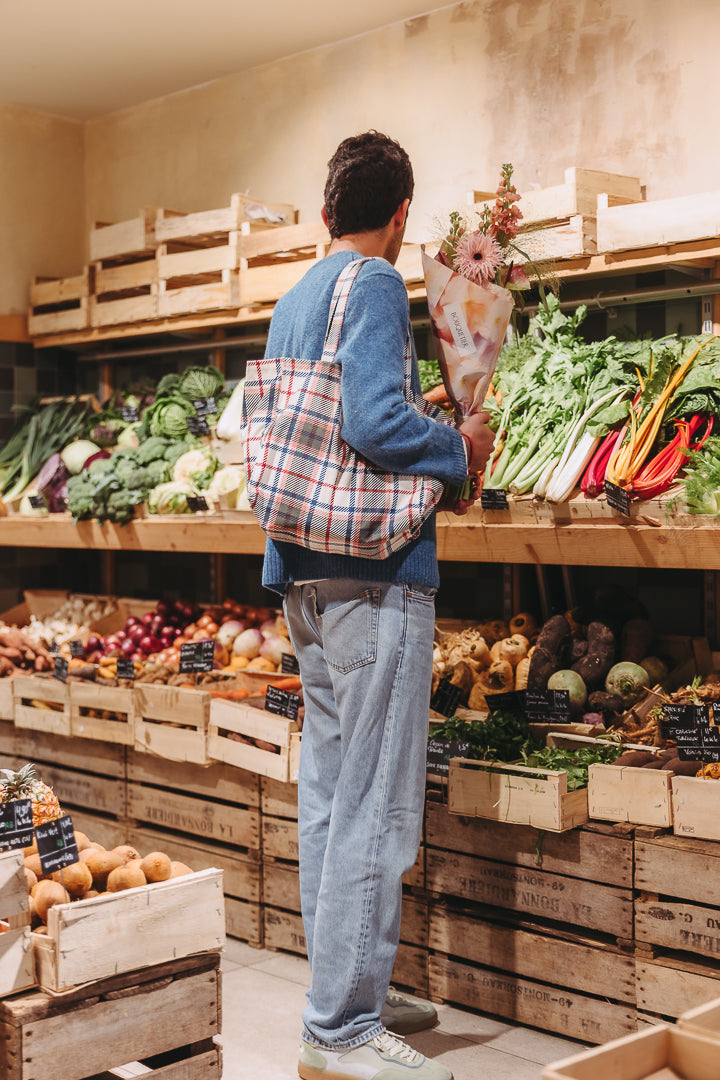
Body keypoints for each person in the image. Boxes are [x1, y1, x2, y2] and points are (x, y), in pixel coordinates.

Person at [256, 131, 494, 1080]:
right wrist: (458, 445)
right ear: (401, 217)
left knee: (328, 797)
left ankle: (345, 984)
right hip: (373, 579)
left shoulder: (296, 297)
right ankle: (343, 1030)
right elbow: (371, 421)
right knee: (377, 808)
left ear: (325, 213)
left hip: (304, 584)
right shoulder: (378, 288)